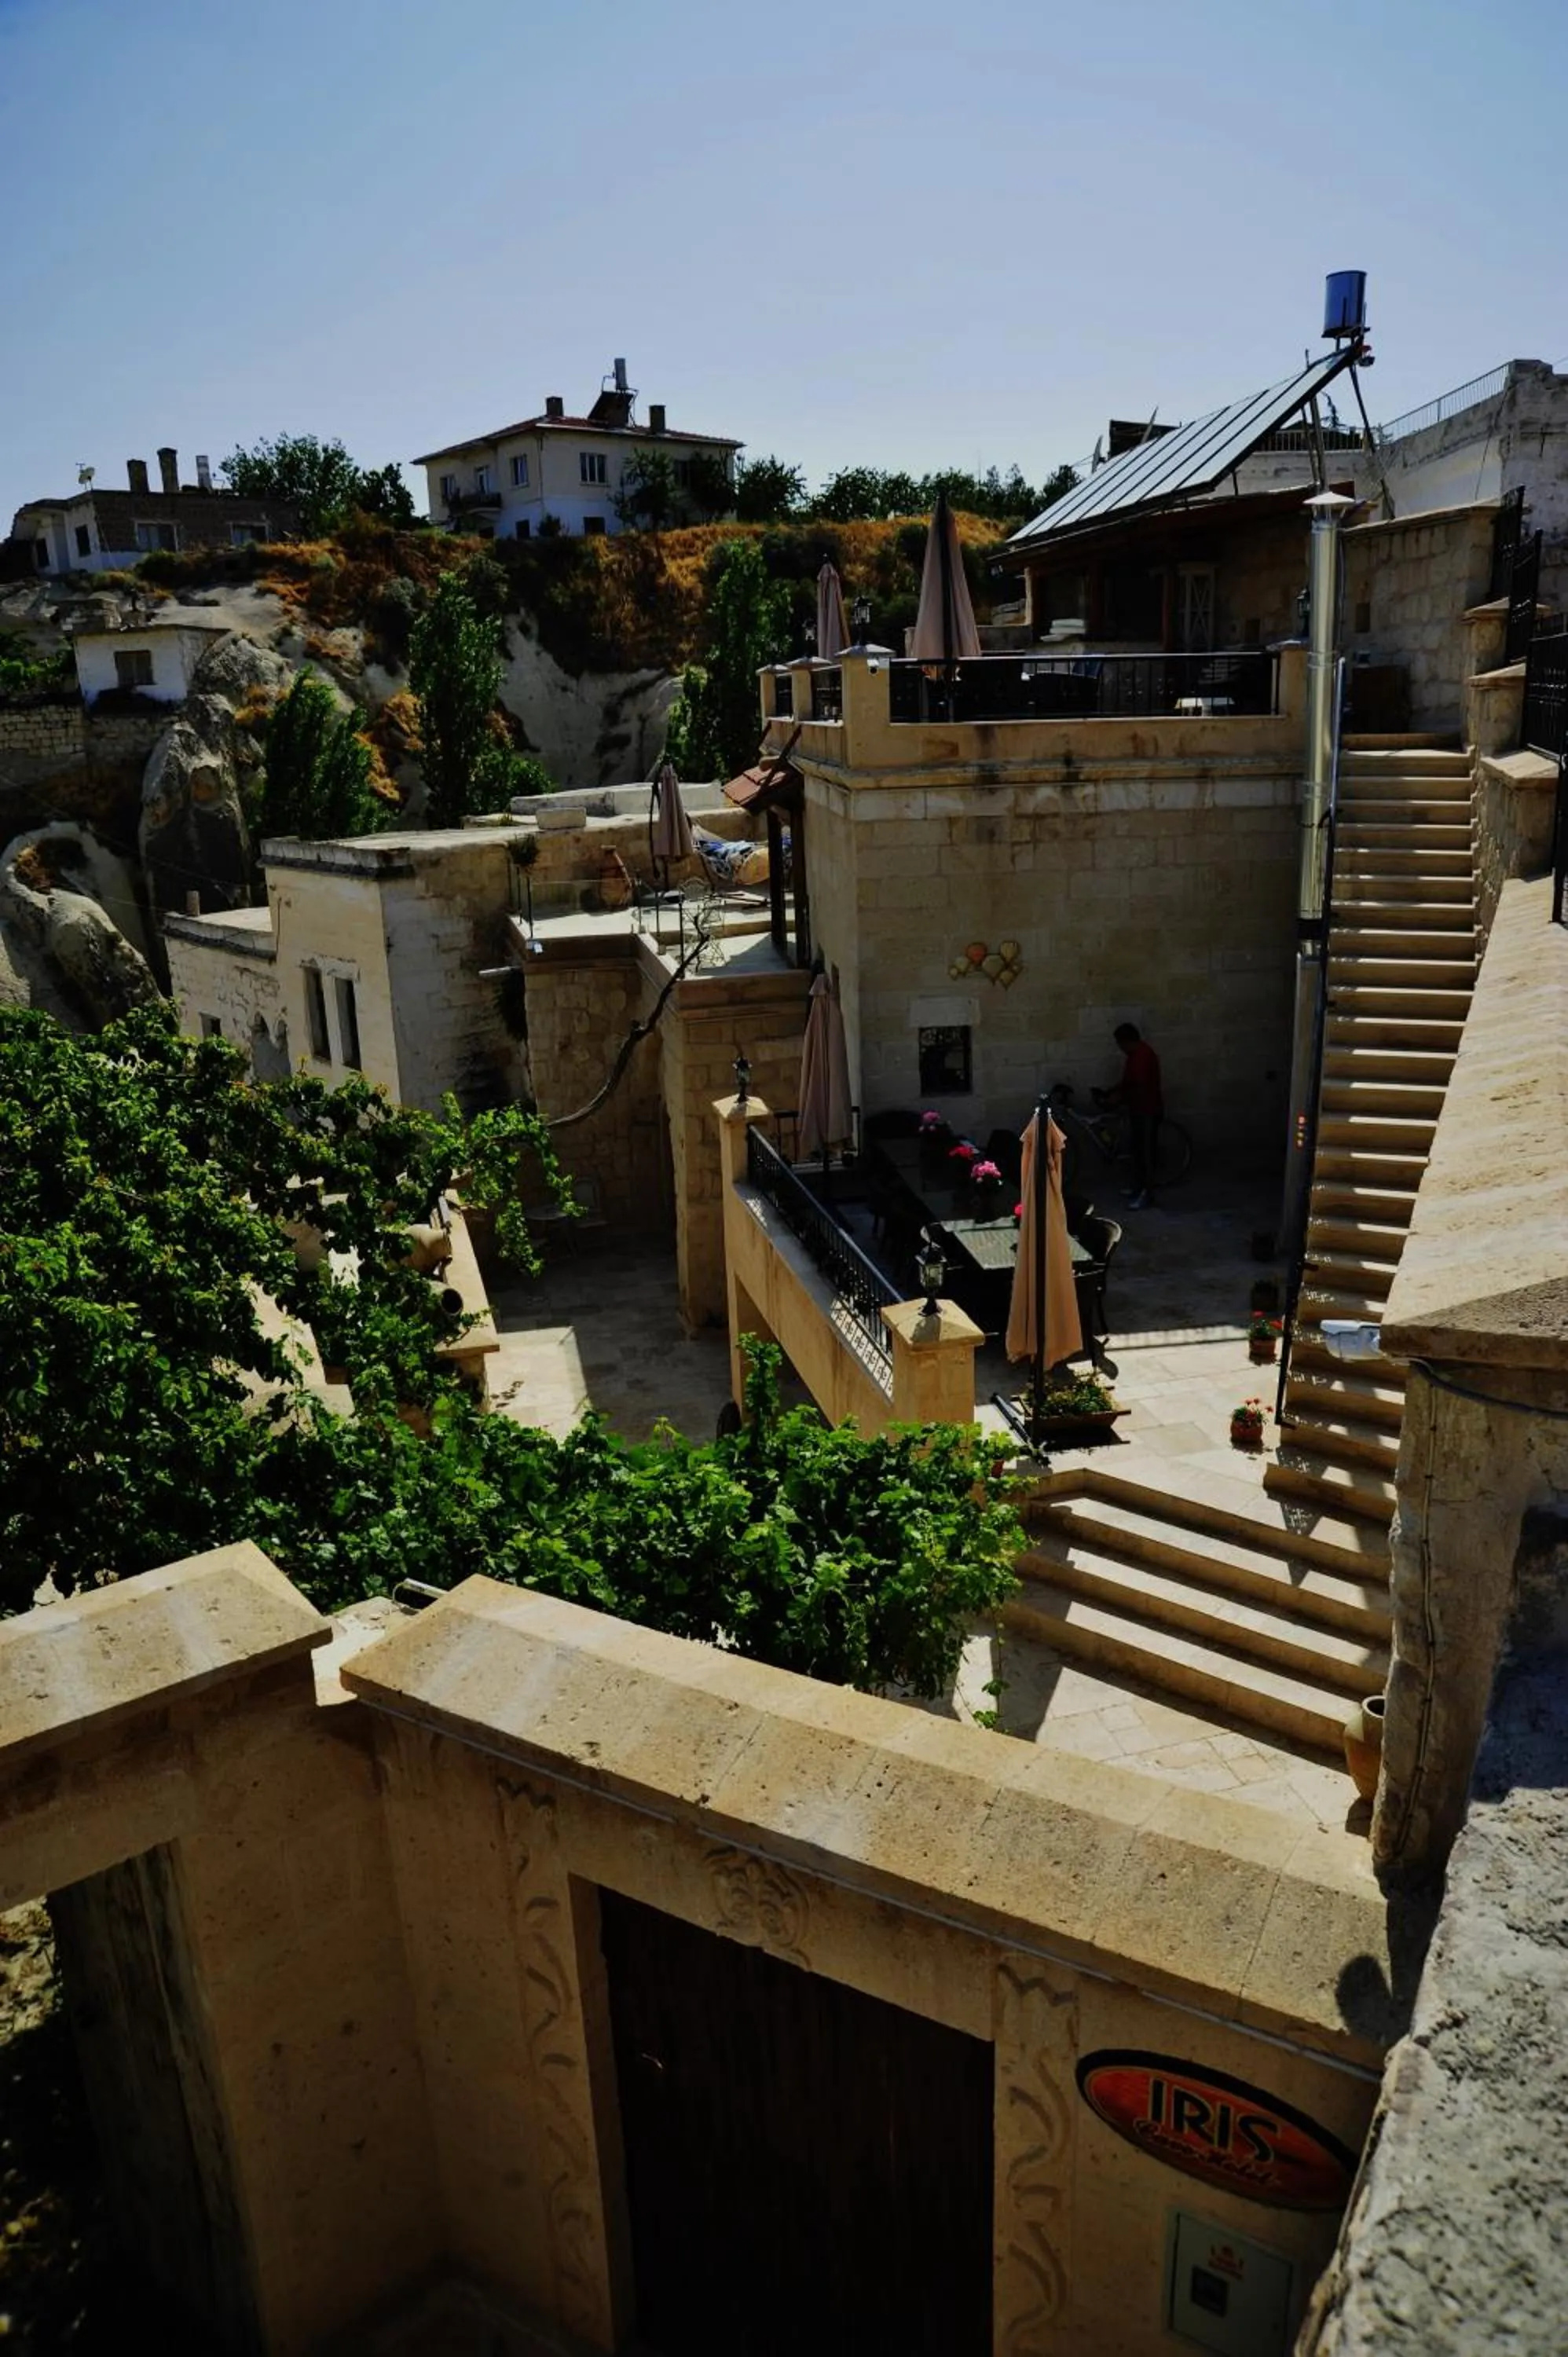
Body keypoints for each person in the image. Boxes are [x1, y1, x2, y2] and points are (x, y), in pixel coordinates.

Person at [1094, 1022, 1163, 1208]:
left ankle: (1147, 1195)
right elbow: (1128, 1081)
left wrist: (1117, 1099)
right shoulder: (1134, 1056)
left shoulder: (1142, 1056)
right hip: (1138, 1109)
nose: (1120, 1048)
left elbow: (1138, 1085)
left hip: (1147, 1109)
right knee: (1138, 1152)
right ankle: (1138, 1188)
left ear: (1127, 1041)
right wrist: (1112, 1091)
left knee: (1145, 1154)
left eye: (1120, 1044)